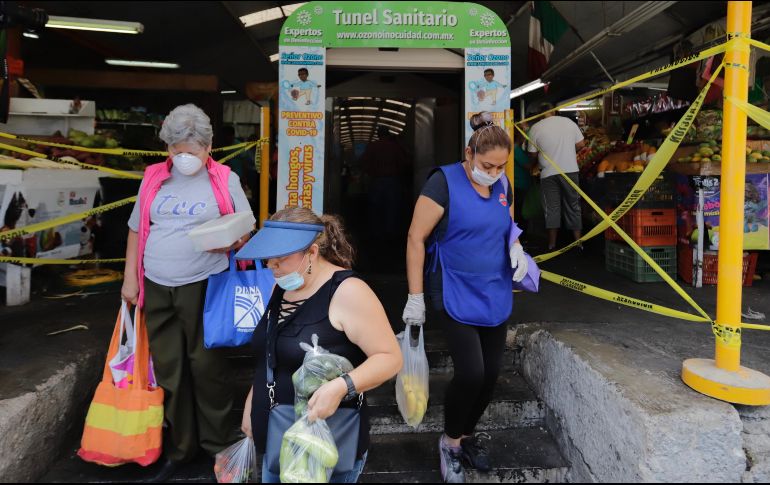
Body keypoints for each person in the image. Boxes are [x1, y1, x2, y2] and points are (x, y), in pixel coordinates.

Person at [122, 104, 253, 482]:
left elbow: (245, 228)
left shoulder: (224, 179)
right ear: (167, 149)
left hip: (204, 284)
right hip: (156, 284)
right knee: (170, 370)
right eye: (176, 151)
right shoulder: (152, 178)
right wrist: (130, 278)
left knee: (207, 368)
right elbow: (136, 229)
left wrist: (229, 241)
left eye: (191, 152)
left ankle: (217, 446)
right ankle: (180, 449)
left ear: (208, 147)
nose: (183, 158)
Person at [403, 112, 529, 483]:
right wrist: (415, 297)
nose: (493, 172)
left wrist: (517, 245)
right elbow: (415, 239)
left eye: (500, 166)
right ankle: (450, 442)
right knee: (471, 372)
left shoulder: (502, 181)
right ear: (469, 153)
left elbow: (507, 221)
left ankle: (467, 435)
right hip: (454, 285)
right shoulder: (442, 183)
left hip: (494, 285)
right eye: (487, 164)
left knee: (490, 375)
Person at [237, 207, 402, 483]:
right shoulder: (284, 286)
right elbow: (272, 351)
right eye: (269, 260)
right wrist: (252, 404)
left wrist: (341, 387)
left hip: (324, 448)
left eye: (281, 259)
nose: (271, 267)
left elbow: (390, 358)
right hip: (278, 441)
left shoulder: (348, 292)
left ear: (312, 252)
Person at [527, 102, 586, 251]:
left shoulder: (536, 128)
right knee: (573, 205)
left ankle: (552, 245)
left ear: (541, 113)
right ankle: (578, 243)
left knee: (552, 208)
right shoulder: (568, 123)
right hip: (570, 170)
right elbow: (581, 145)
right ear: (555, 112)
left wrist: (533, 164)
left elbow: (532, 154)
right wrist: (568, 152)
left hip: (548, 173)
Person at [359, 125, 412, 270]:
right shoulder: (395, 147)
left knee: (375, 212)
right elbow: (405, 162)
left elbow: (364, 164)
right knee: (392, 212)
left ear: (378, 134)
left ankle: (376, 241)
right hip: (393, 182)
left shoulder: (372, 147)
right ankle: (391, 243)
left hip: (376, 182)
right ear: (388, 134)